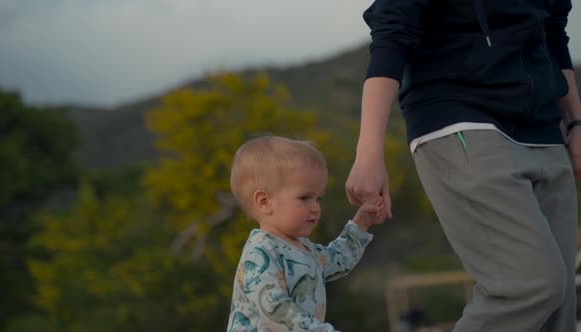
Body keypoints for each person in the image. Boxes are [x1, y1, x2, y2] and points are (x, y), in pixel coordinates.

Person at [346, 1, 581, 331]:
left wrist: (576, 123)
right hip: (460, 117)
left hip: (544, 125)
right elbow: (391, 33)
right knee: (529, 285)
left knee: (560, 306)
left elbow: (554, 32)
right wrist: (369, 152)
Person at [226, 135, 385, 331]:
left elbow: (337, 259)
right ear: (265, 202)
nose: (315, 208)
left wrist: (362, 223)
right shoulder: (260, 253)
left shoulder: (305, 248)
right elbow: (276, 309)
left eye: (318, 199)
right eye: (304, 198)